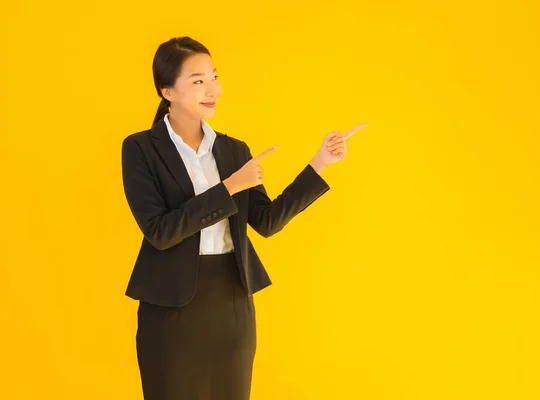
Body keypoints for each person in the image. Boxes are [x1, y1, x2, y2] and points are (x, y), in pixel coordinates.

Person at [121, 36, 366, 400]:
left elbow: (267, 222)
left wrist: (319, 165)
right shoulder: (140, 148)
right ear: (167, 90)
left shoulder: (234, 149)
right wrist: (230, 187)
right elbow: (160, 231)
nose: (212, 89)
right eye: (198, 80)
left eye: (214, 76)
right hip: (169, 306)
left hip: (231, 299)